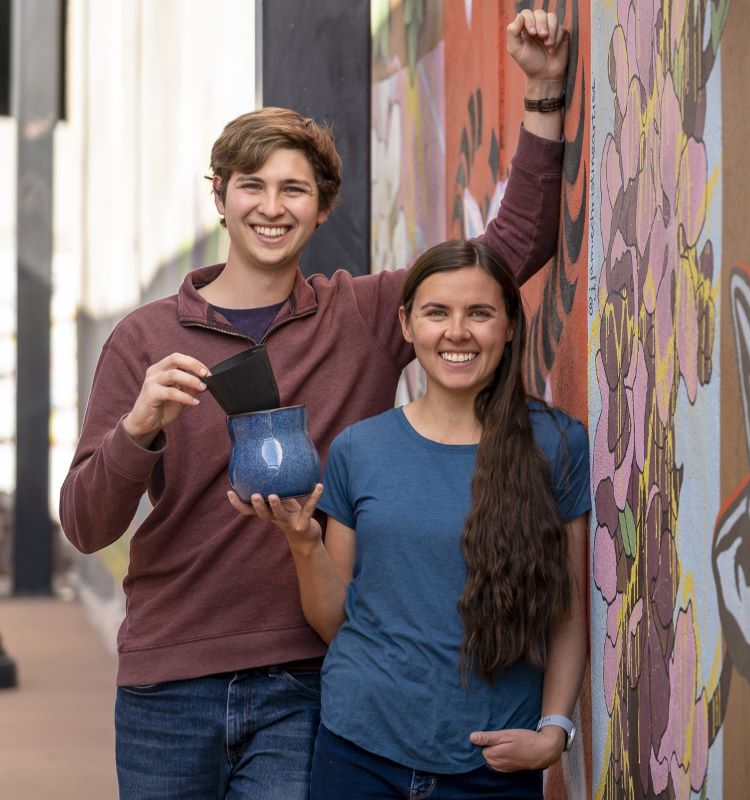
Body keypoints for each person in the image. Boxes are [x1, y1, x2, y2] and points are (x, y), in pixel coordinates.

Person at [59, 7, 569, 799]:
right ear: (221, 199)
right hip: (169, 680)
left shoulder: (361, 314)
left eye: (294, 188)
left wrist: (541, 94)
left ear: (323, 208)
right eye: (252, 186)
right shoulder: (144, 339)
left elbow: (504, 254)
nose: (272, 205)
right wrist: (138, 431)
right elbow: (86, 527)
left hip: (305, 678)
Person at [238, 239, 589, 799]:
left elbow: (567, 611)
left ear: (509, 326)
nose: (457, 332)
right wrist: (304, 542)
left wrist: (555, 730)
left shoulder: (557, 444)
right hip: (359, 754)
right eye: (436, 313)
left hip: (491, 768)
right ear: (406, 325)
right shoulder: (360, 449)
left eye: (479, 313)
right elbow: (337, 623)